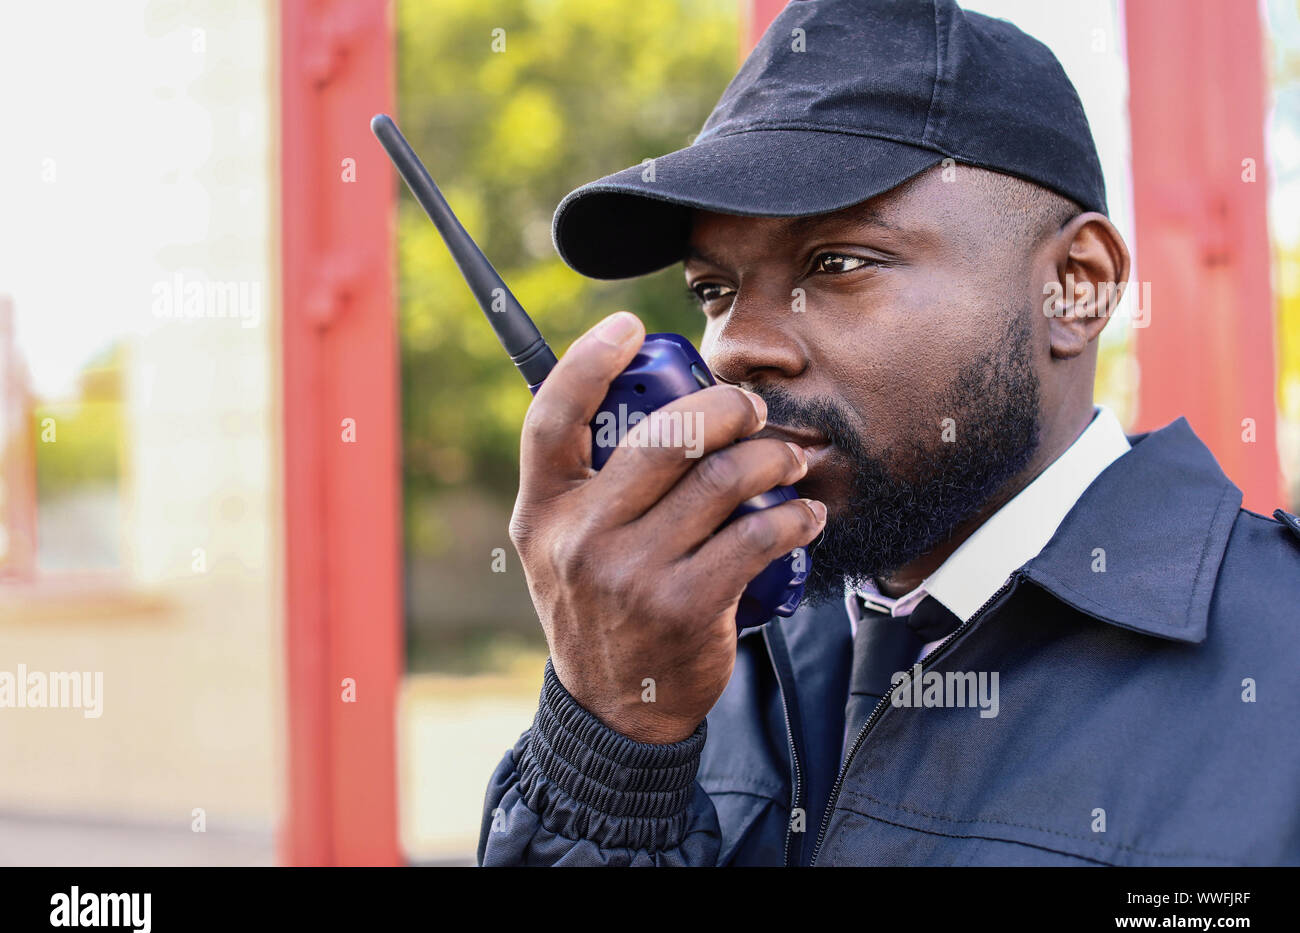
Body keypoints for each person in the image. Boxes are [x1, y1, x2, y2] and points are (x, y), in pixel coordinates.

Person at [477, 0, 1300, 865]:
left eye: (836, 264)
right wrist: (608, 747)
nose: (738, 345)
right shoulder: (684, 650)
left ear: (1075, 286)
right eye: (715, 290)